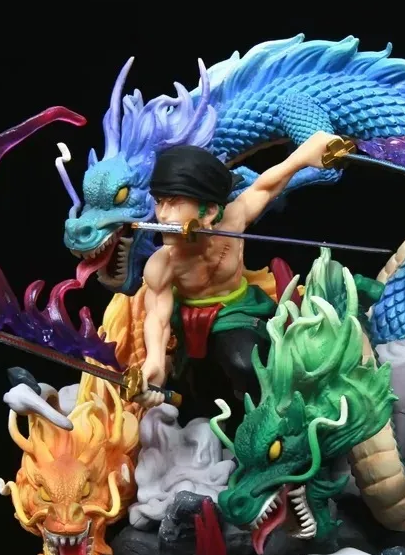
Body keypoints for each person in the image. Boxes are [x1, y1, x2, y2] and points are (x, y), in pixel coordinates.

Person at [134, 130, 339, 410]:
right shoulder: (163, 262)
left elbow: (265, 187)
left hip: (241, 310)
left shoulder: (232, 221)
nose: (163, 215)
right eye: (160, 202)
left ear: (209, 211)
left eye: (175, 203)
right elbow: (157, 317)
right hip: (192, 324)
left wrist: (305, 154)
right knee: (200, 396)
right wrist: (155, 362)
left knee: (245, 362)